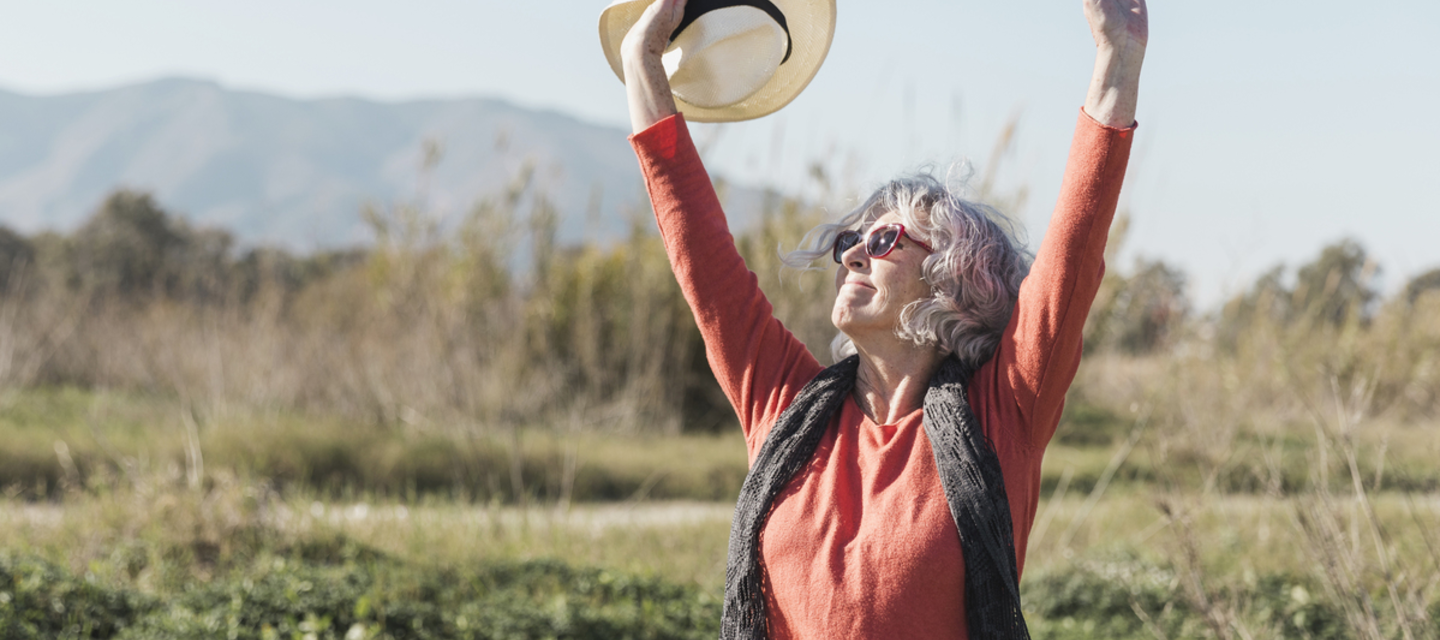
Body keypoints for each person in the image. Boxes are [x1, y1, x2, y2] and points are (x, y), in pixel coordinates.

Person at [620, 0, 1147, 637]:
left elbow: (1073, 254)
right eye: (849, 241)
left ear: (954, 278)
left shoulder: (1003, 412)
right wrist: (642, 66)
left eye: (884, 240)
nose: (852, 255)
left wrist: (1117, 57)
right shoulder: (786, 408)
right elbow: (702, 260)